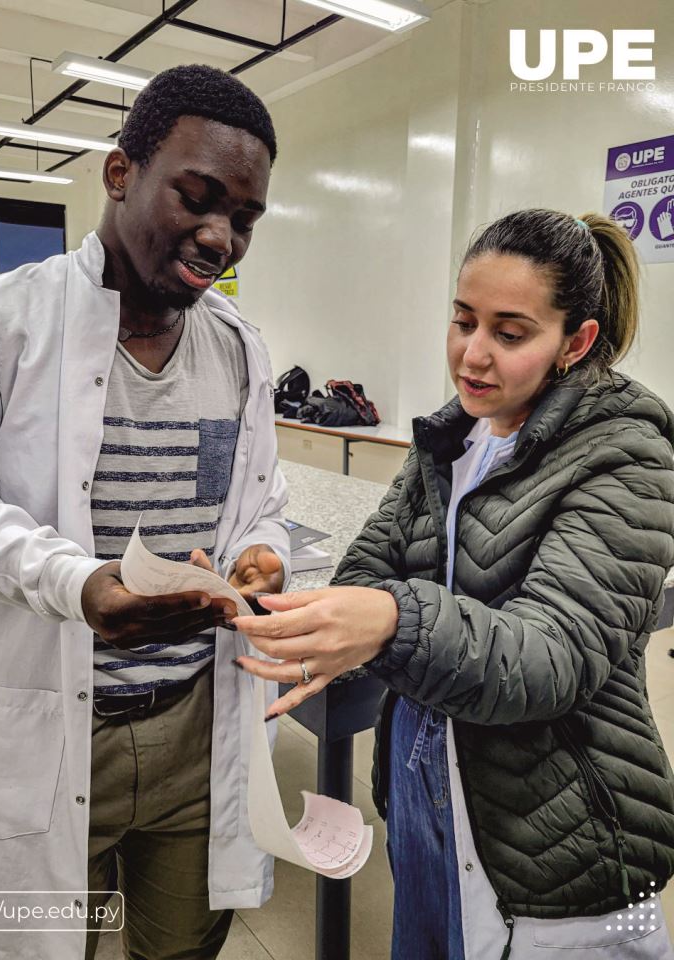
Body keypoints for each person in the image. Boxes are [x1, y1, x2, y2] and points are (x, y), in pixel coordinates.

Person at [0, 64, 290, 960]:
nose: (219, 237)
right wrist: (75, 585)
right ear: (120, 174)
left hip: (196, 727)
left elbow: (262, 500)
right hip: (53, 730)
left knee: (180, 946)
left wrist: (262, 553)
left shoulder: (238, 351)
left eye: (243, 220)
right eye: (195, 199)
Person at [233, 209, 674, 959]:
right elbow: (367, 568)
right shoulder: (453, 437)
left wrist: (391, 620)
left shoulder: (629, 452)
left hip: (556, 826)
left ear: (577, 342)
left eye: (510, 333)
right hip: (424, 790)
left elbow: (550, 658)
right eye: (463, 320)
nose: (472, 355)